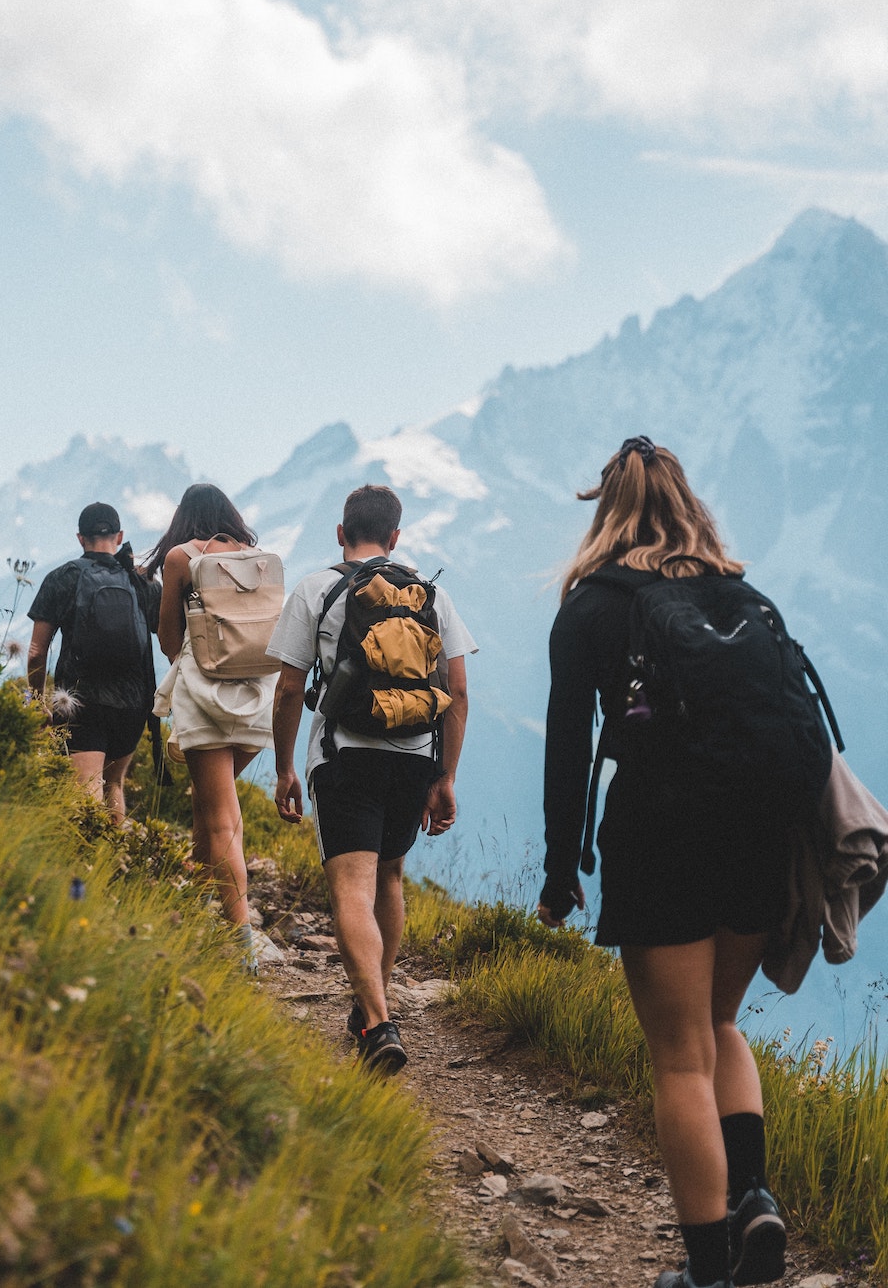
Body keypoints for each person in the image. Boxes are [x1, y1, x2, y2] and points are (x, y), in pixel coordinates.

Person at [538, 438, 790, 1288]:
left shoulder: (592, 607)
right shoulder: (739, 592)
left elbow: (568, 749)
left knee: (679, 1055)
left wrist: (560, 867)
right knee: (721, 1025)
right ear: (688, 504)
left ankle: (707, 1271)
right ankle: (755, 1196)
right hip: (763, 832)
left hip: (661, 833)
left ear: (604, 510)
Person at [268, 484, 476, 1074]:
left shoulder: (317, 587)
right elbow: (457, 692)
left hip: (346, 755)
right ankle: (370, 1011)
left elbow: (288, 688)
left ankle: (379, 1020)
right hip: (414, 755)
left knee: (350, 888)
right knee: (390, 876)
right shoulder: (430, 595)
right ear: (395, 537)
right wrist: (446, 776)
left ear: (340, 533)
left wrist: (285, 767)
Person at [146, 484, 275, 969]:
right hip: (256, 697)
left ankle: (243, 942)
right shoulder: (257, 558)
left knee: (220, 815)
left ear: (183, 517)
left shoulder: (181, 557)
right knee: (209, 804)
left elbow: (168, 638)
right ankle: (199, 905)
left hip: (204, 696)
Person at [27, 501, 159, 822]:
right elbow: (170, 638)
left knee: (84, 791)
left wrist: (36, 698)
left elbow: (35, 651)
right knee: (113, 784)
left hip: (79, 702)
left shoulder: (62, 578)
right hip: (133, 703)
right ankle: (113, 865)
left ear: (79, 538)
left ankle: (84, 867)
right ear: (120, 536)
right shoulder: (143, 583)